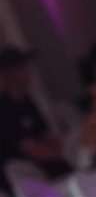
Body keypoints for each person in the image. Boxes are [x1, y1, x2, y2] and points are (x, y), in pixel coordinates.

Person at [0, 45, 73, 193]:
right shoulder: (5, 109)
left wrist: (63, 149)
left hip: (46, 167)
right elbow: (30, 150)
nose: (28, 71)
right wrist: (65, 155)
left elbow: (47, 135)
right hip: (26, 178)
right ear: (9, 73)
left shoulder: (26, 100)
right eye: (21, 67)